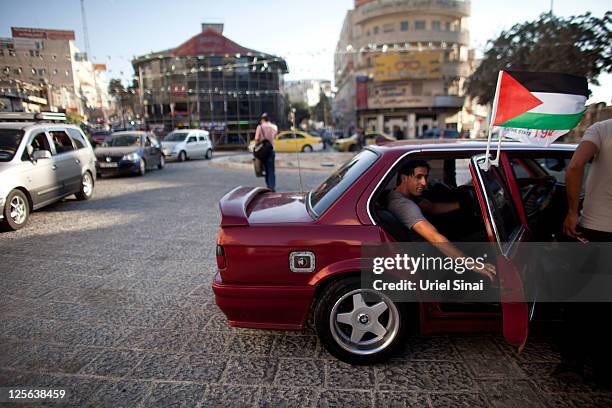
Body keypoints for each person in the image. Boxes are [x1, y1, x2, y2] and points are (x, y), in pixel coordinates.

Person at [558, 118, 612, 387]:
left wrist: (571, 211)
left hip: (596, 229)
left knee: (583, 301)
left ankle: (573, 364)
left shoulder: (602, 129)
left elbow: (576, 164)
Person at [386, 159, 496, 281]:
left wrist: (466, 204)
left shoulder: (406, 196)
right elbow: (434, 237)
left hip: (432, 251)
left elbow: (433, 208)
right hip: (432, 257)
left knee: (480, 235)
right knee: (486, 237)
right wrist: (471, 263)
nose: (424, 182)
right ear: (404, 178)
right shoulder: (403, 205)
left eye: (425, 177)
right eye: (418, 177)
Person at [254, 113, 278, 191]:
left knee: (263, 169)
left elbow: (257, 140)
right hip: (271, 150)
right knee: (271, 170)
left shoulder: (260, 127)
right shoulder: (274, 127)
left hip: (262, 151)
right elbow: (274, 137)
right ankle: (271, 187)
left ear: (262, 119)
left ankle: (268, 185)